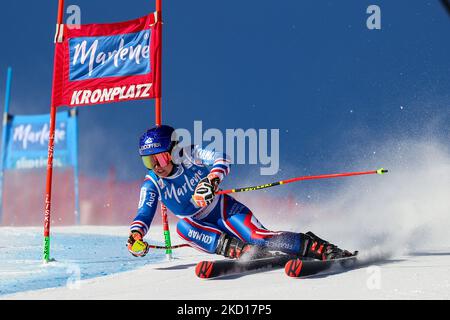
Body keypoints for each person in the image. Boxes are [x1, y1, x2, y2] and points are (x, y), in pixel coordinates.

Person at [127, 125, 355, 260]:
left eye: (160, 157)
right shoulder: (153, 183)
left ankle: (317, 247)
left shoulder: (189, 153)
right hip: (198, 224)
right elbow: (144, 213)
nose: (156, 166)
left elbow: (221, 157)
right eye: (149, 161)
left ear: (173, 151)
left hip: (223, 209)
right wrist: (136, 235)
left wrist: (212, 178)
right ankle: (240, 251)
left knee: (259, 237)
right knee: (183, 227)